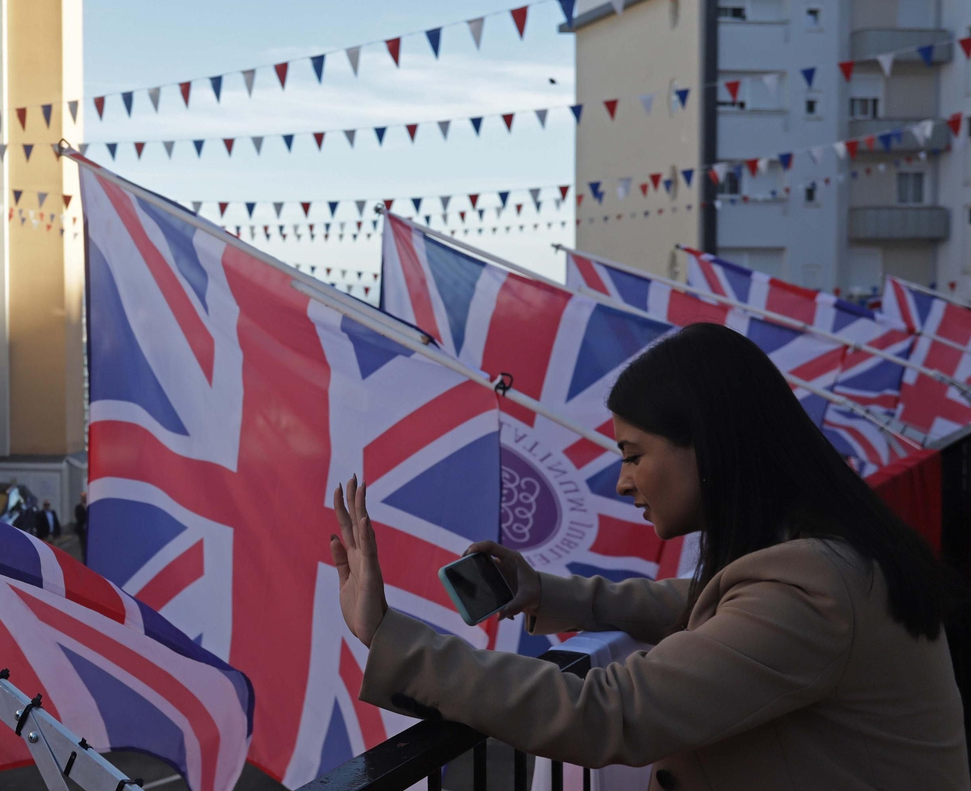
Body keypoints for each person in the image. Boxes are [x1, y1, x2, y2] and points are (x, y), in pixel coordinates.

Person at [329, 323, 968, 790]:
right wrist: (547, 593)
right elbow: (699, 605)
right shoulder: (827, 556)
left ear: (710, 447)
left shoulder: (808, 589)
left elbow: (610, 712)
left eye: (634, 455)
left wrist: (391, 638)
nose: (624, 481)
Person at [75, 491, 90, 561]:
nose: (84, 499)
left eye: (85, 497)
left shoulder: (89, 507)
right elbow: (78, 517)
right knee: (83, 545)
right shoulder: (78, 507)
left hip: (89, 530)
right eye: (82, 497)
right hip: (81, 530)